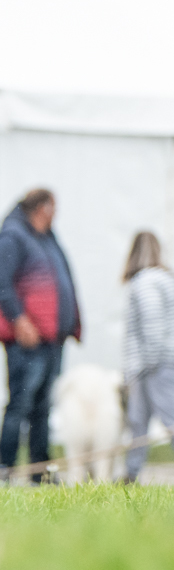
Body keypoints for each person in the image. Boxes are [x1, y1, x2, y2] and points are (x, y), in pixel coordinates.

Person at [0, 189, 81, 482]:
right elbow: (2, 283)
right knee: (20, 405)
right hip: (28, 340)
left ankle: (40, 472)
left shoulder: (46, 238)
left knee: (43, 408)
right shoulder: (13, 235)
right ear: (41, 208)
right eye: (53, 208)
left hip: (51, 339)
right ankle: (4, 468)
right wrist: (19, 320)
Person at [120, 230, 174, 484]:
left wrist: (144, 365)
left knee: (170, 419)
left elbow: (153, 326)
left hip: (156, 365)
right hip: (164, 361)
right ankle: (131, 473)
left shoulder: (145, 282)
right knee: (139, 421)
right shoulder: (166, 279)